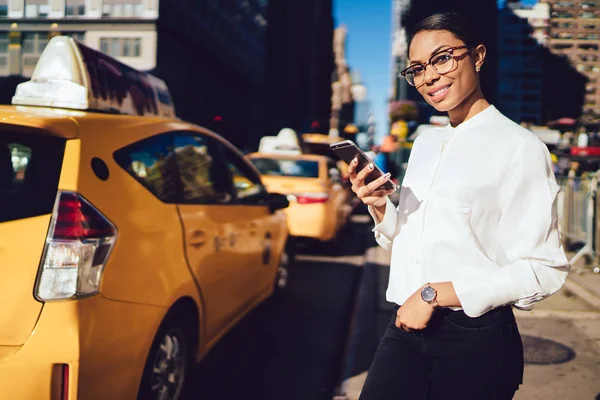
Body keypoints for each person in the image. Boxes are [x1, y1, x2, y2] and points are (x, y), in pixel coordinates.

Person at [347, 13, 569, 400]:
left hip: (474, 337)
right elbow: (410, 246)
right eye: (416, 68)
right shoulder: (425, 144)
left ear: (478, 56)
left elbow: (543, 270)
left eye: (443, 57)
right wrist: (381, 207)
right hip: (405, 325)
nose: (429, 76)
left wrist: (434, 294)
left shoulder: (519, 147)